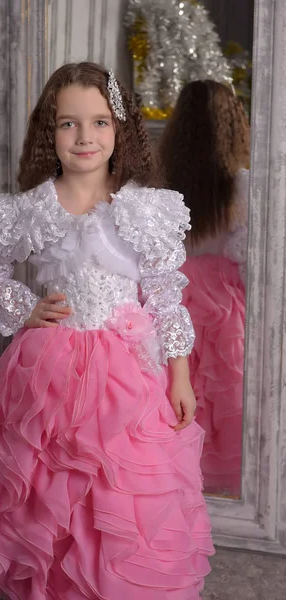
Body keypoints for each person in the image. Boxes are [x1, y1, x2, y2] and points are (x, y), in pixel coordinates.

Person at [0, 62, 214, 600]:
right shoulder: (28, 209)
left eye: (100, 122)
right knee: (56, 490)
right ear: (47, 132)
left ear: (120, 128)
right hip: (50, 373)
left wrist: (179, 377)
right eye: (68, 124)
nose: (85, 137)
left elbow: (167, 295)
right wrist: (23, 307)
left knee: (123, 490)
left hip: (129, 375)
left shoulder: (146, 209)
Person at [158, 79, 250, 496]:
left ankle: (176, 478)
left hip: (175, 291)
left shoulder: (161, 178)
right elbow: (244, 248)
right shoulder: (241, 184)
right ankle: (219, 482)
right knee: (223, 388)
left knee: (175, 386)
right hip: (223, 297)